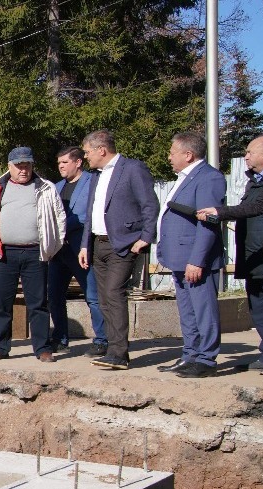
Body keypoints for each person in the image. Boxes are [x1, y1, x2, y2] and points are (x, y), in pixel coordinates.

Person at [0, 147, 66, 362]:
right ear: (9, 167)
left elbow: (59, 219)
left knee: (38, 304)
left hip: (35, 253)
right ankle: (0, 347)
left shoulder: (46, 187)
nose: (23, 170)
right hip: (5, 254)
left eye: (27, 165)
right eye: (19, 166)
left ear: (32, 165)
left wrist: (52, 247)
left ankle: (42, 348)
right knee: (2, 304)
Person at [78, 130, 159, 370]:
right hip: (97, 244)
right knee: (104, 298)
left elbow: (149, 205)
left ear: (101, 150)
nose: (85, 157)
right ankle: (112, 349)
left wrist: (145, 237)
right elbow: (91, 214)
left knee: (114, 294)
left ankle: (119, 353)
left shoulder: (132, 169)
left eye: (87, 152)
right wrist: (85, 244)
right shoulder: (96, 176)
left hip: (122, 244)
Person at [155, 132, 226, 378]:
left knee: (203, 310)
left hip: (196, 261)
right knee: (188, 311)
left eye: (172, 153)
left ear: (188, 154)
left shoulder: (208, 178)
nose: (169, 157)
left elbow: (208, 223)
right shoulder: (185, 177)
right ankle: (190, 355)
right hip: (179, 258)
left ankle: (206, 359)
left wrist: (197, 260)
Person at [198, 134, 263, 375]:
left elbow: (257, 207)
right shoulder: (255, 181)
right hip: (254, 258)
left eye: (250, 152)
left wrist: (220, 212)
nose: (246, 156)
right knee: (259, 310)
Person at [48, 147, 107, 355]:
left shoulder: (93, 183)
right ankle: (60, 339)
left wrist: (60, 225)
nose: (61, 166)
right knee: (54, 296)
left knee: (93, 296)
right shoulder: (56, 187)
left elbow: (88, 215)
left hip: (81, 249)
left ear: (78, 162)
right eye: (59, 163)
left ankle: (102, 340)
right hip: (58, 252)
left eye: (65, 162)